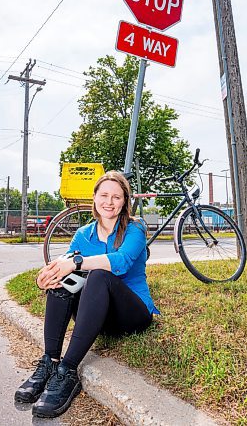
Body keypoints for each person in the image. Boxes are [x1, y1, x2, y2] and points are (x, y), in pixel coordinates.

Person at [15, 170, 159, 419]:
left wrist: (77, 262)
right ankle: (49, 362)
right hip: (97, 318)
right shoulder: (83, 234)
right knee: (62, 282)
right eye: (104, 195)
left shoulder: (135, 228)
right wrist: (45, 278)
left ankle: (67, 371)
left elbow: (121, 262)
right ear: (94, 198)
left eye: (116, 197)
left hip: (133, 314)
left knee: (99, 275)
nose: (109, 202)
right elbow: (65, 263)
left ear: (125, 201)